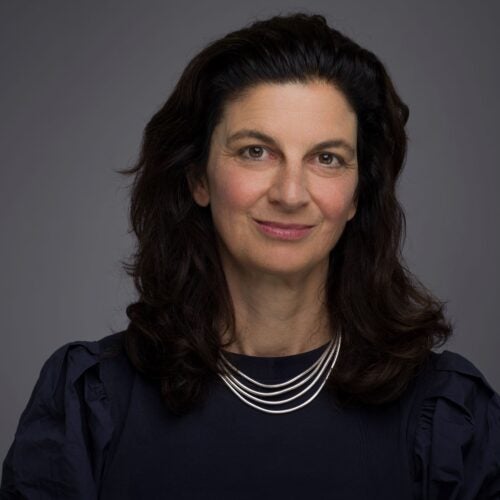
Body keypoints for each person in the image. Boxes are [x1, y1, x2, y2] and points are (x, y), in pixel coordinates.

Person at [1, 12, 499, 500]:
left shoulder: (449, 418)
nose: (290, 193)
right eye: (256, 151)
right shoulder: (92, 405)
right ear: (198, 177)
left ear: (356, 195)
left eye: (327, 158)